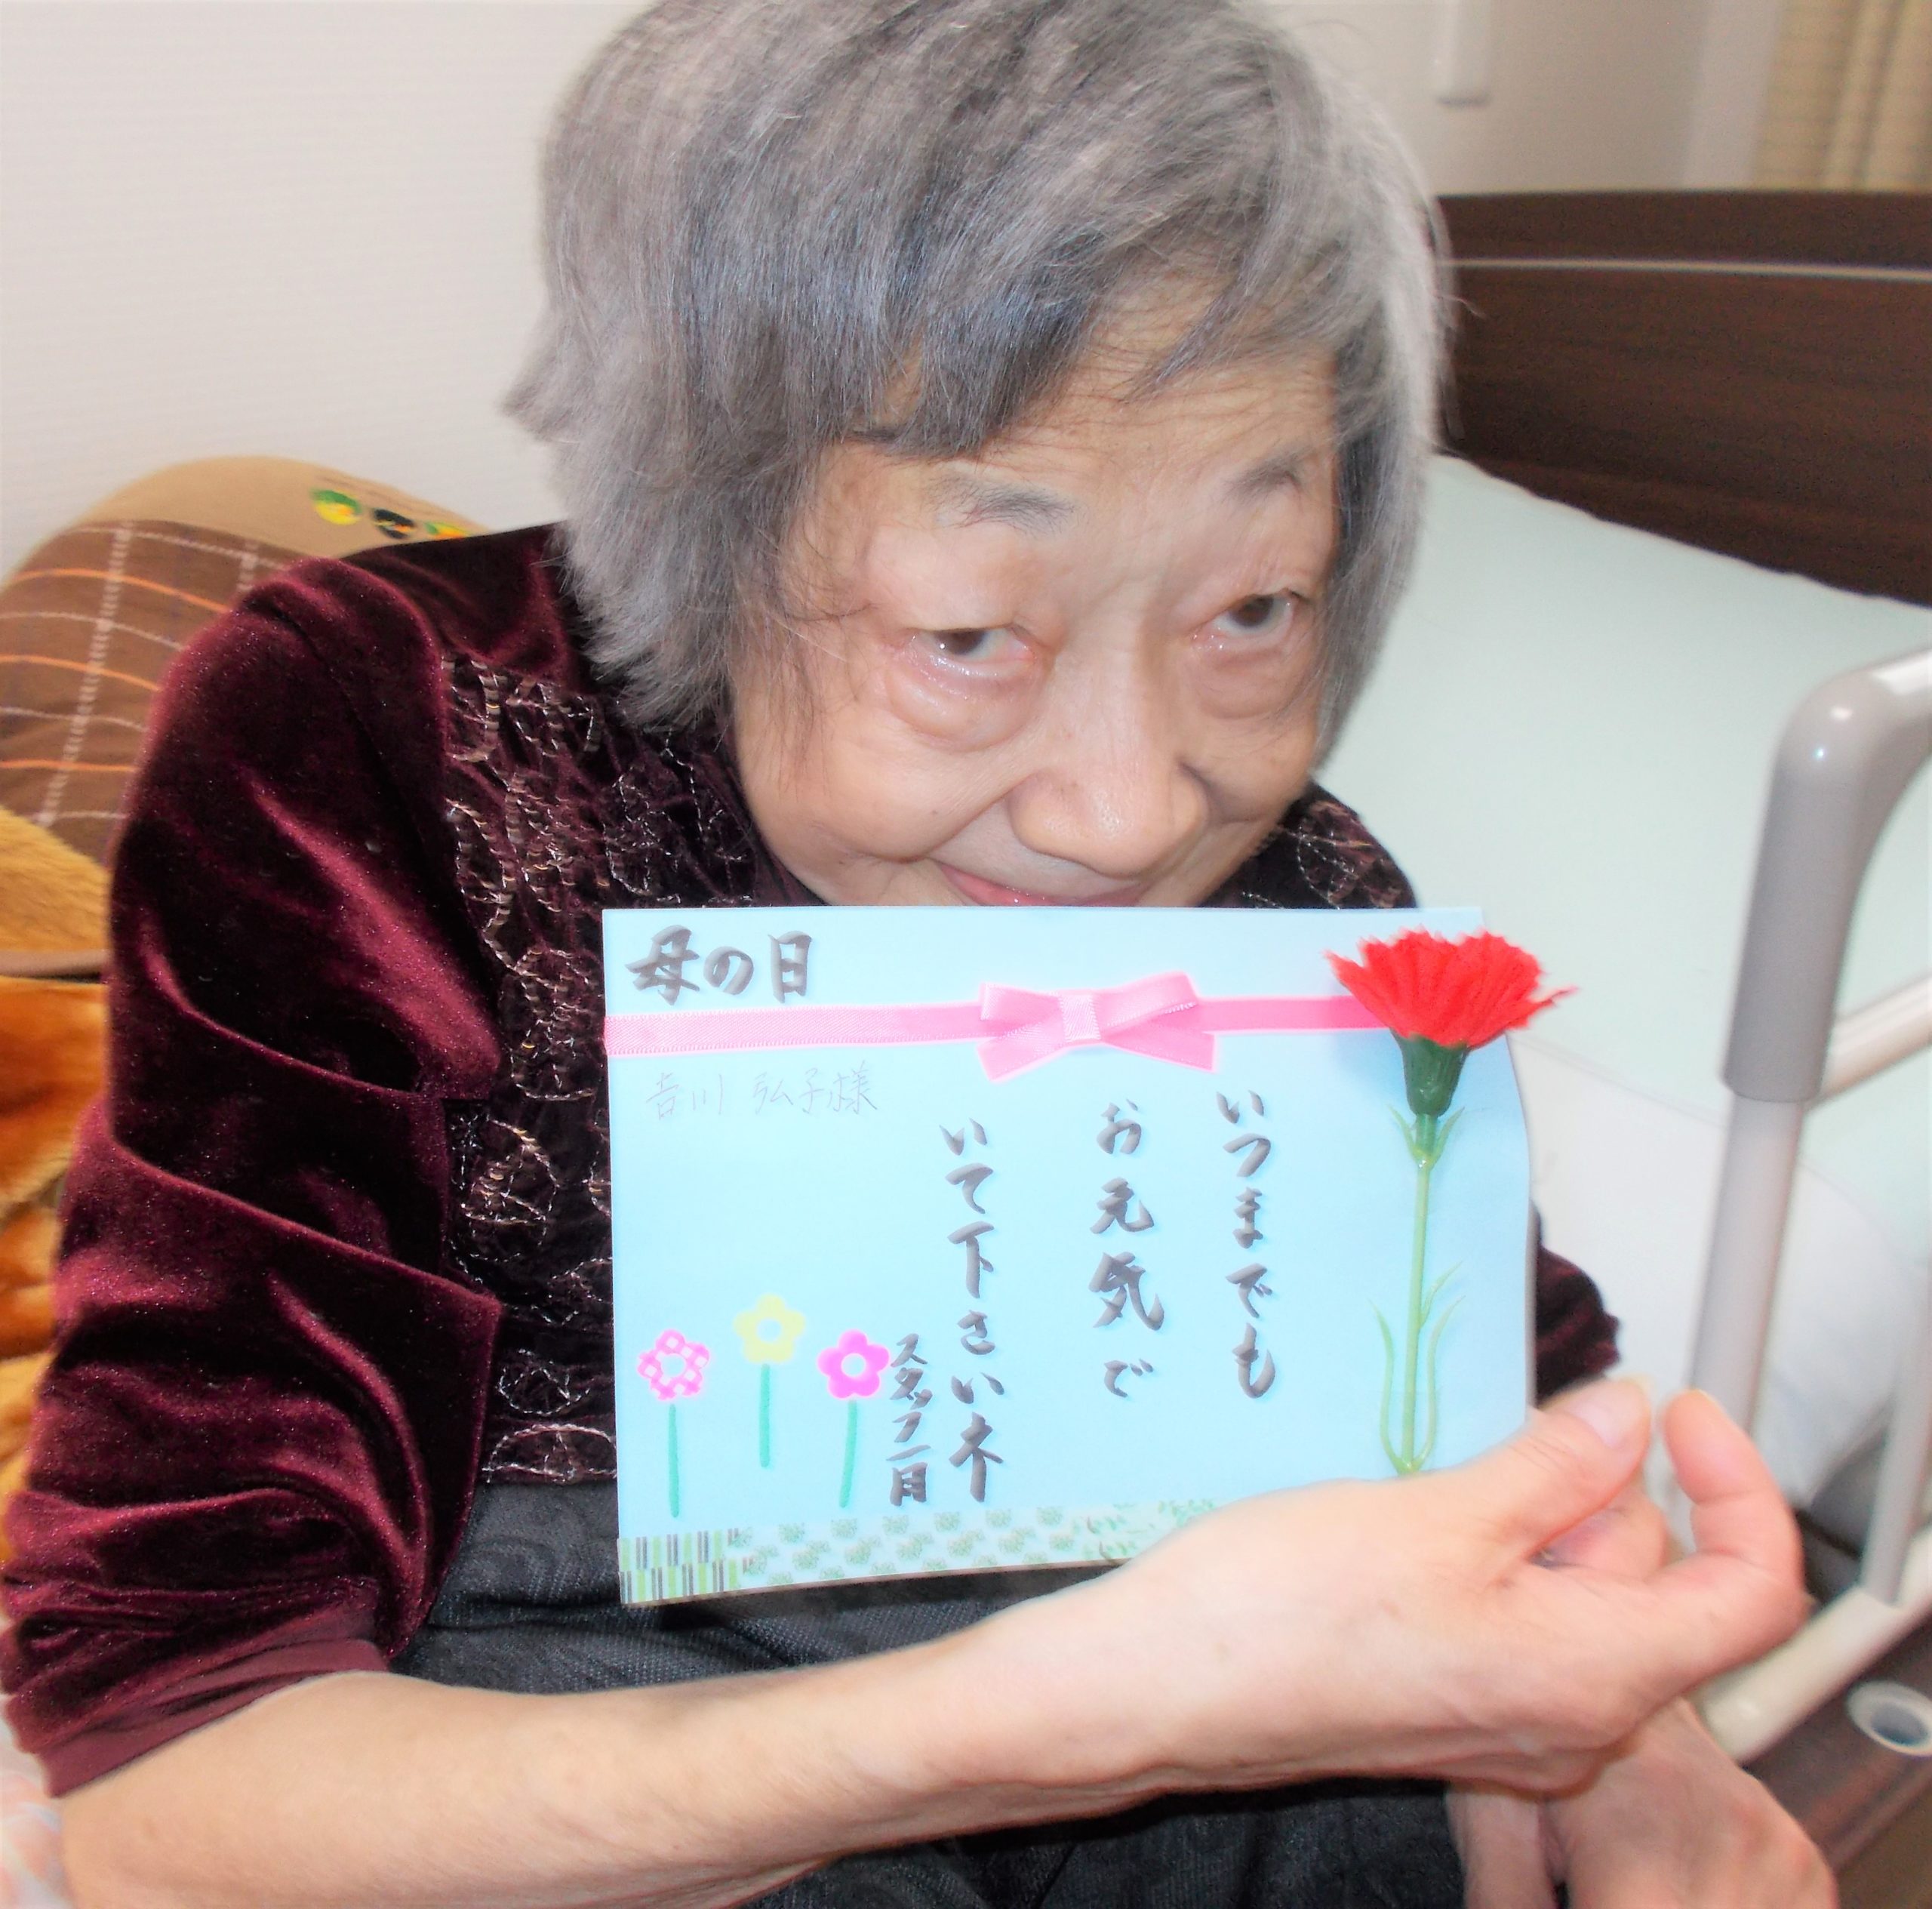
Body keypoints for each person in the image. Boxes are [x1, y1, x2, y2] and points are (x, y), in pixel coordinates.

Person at [2, 3, 1831, 1904]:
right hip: (579, 1727)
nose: (1127, 814)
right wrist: (1074, 1708)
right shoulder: (383, 748)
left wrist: (1637, 1757)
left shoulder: (1289, 875)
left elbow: (1503, 1413)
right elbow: (165, 1806)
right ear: (703, 527)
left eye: (1250, 609)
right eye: (969, 635)